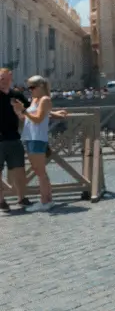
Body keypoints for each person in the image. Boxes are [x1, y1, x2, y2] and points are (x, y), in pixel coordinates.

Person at [11, 76, 63, 212]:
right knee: (38, 170)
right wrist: (18, 112)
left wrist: (23, 110)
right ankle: (47, 199)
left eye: (32, 87)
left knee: (40, 172)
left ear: (41, 86)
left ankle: (45, 201)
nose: (30, 90)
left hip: (38, 138)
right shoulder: (34, 100)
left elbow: (39, 119)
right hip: (30, 137)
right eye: (28, 88)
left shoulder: (45, 100)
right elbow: (27, 118)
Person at [0, 68, 32, 212]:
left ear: (11, 78)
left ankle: (22, 198)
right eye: (1, 78)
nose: (4, 81)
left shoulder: (17, 95)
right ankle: (1, 201)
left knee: (19, 169)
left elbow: (31, 111)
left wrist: (20, 111)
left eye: (6, 78)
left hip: (14, 137)